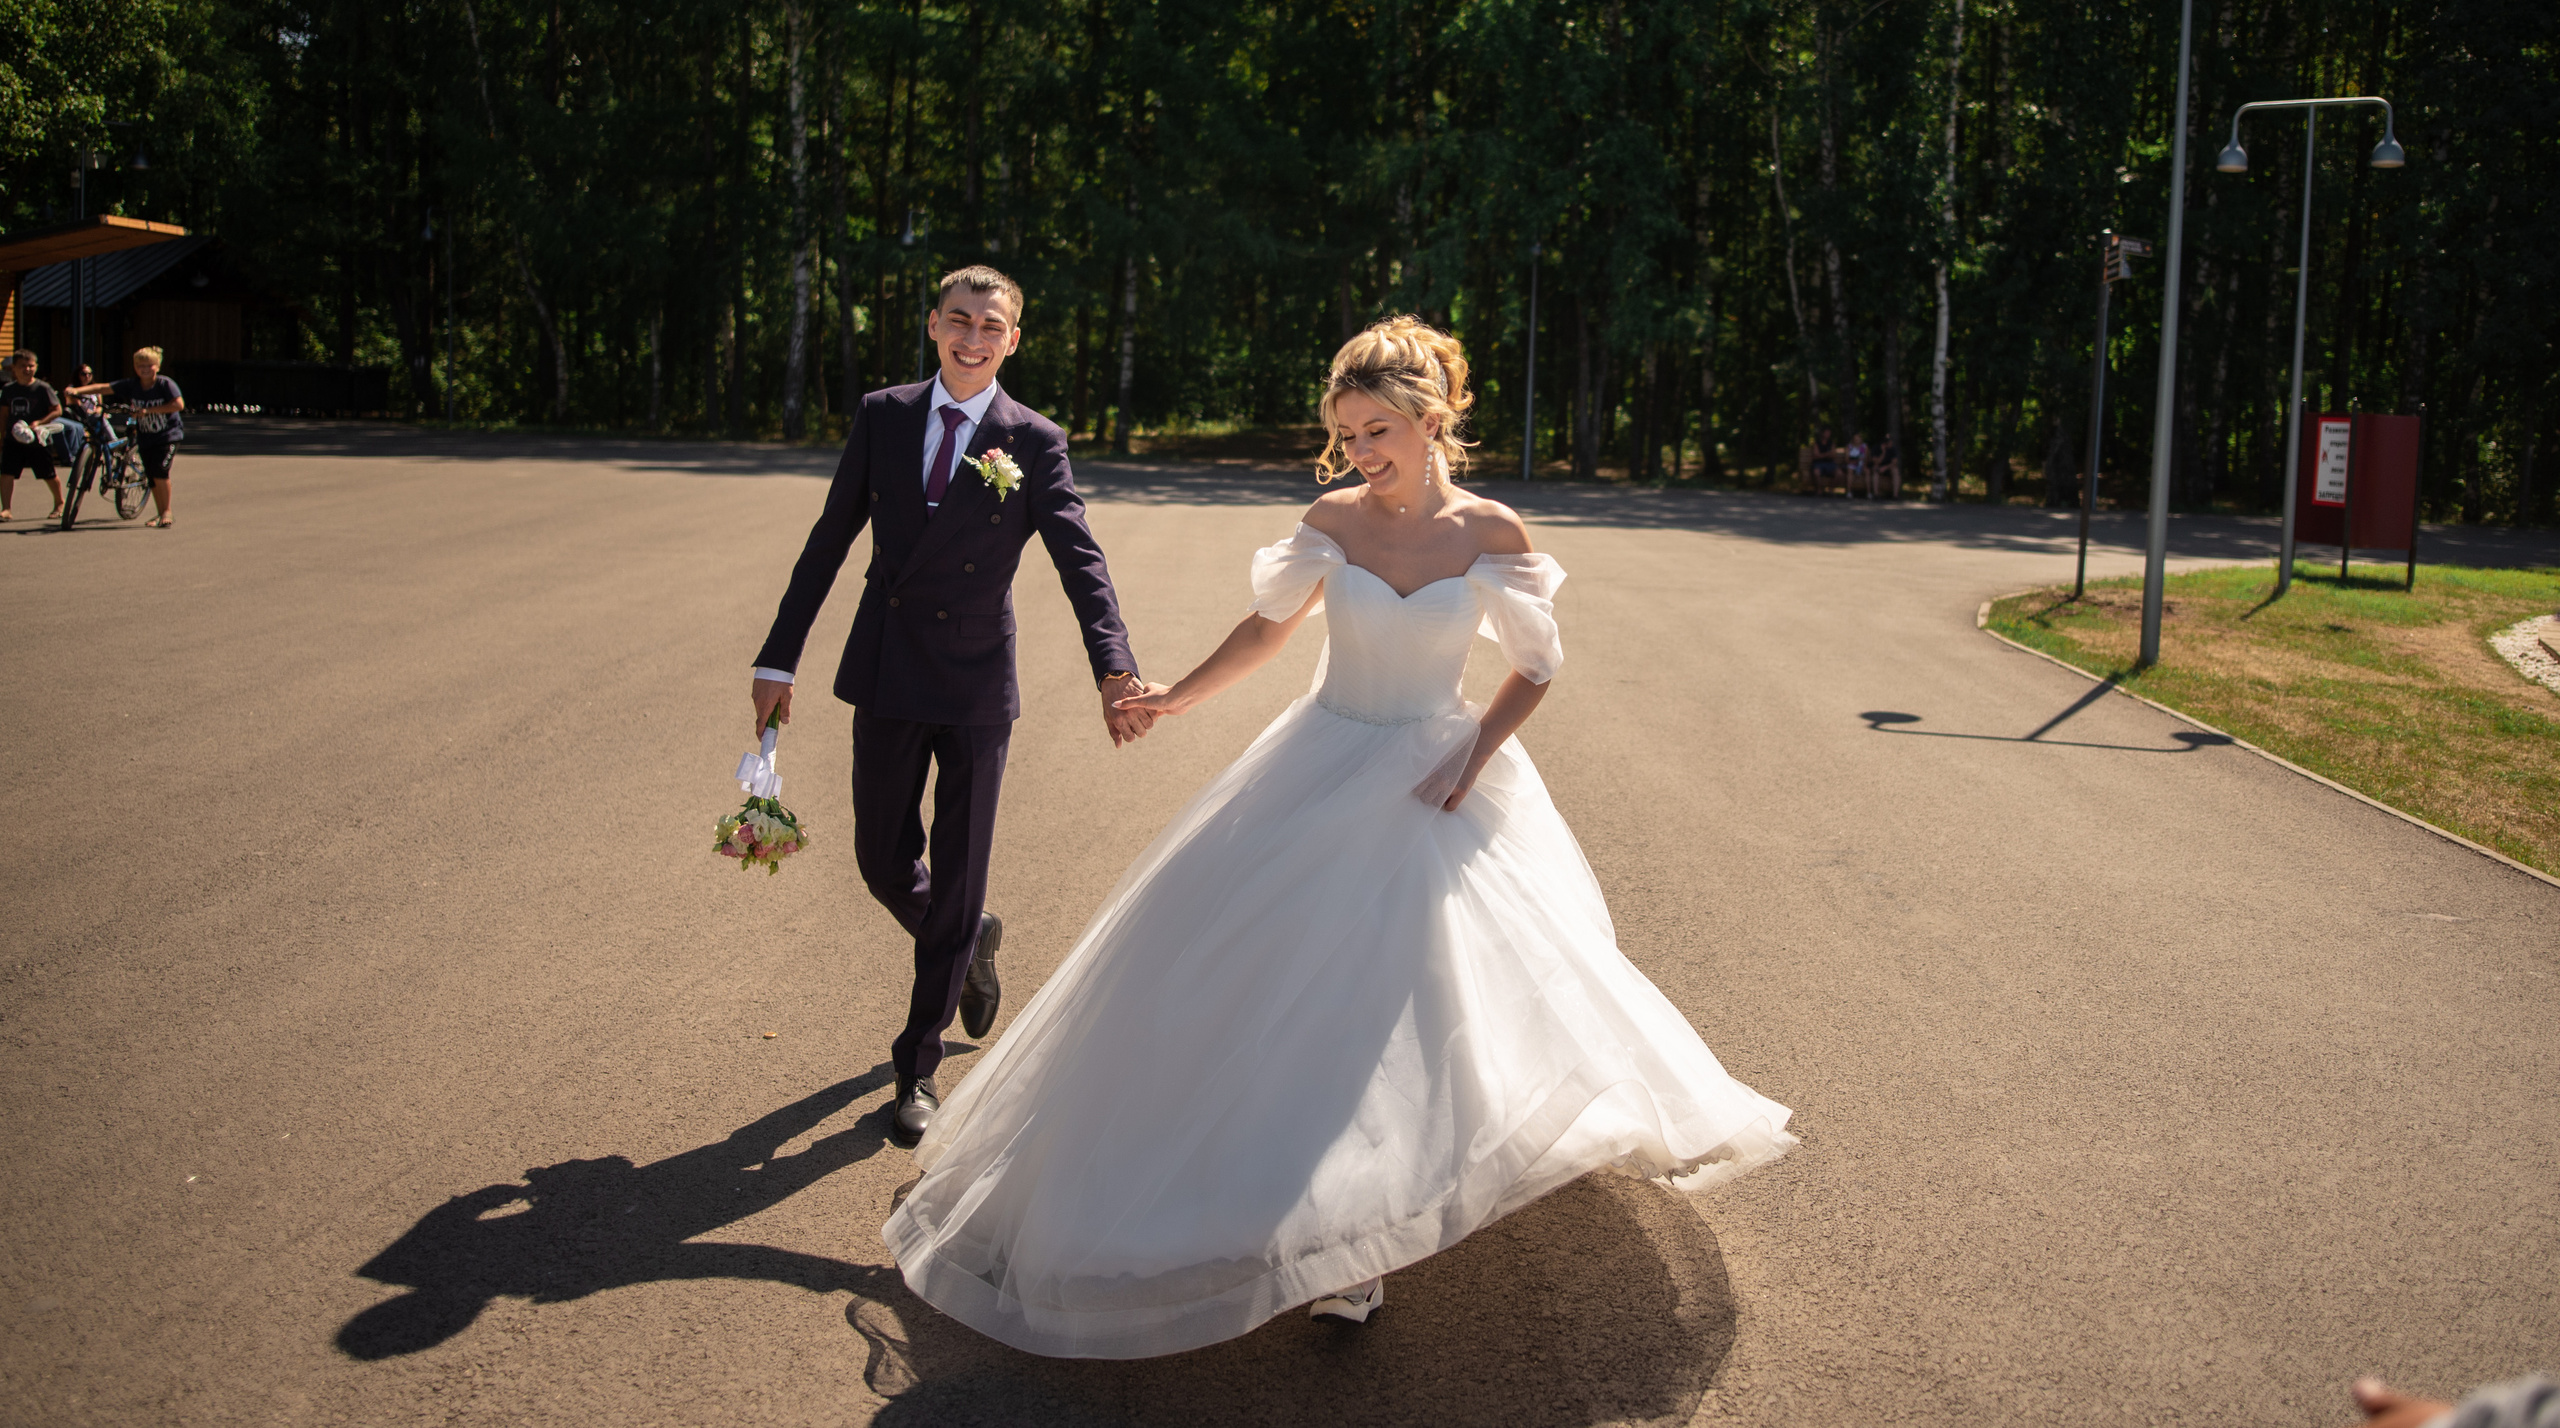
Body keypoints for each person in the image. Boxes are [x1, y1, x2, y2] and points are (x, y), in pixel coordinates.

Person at [881, 316, 1796, 1359]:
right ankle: (1315, 1227)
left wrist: (1476, 753)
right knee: (1262, 993)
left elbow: (1534, 666)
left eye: (1374, 432)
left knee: (1405, 1010)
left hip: (1434, 776)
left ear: (1430, 420)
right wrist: (1177, 694)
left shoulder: (1491, 533)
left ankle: (1357, 1248)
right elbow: (1273, 630)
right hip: (1321, 758)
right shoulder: (1332, 519)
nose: (1359, 452)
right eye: (1347, 435)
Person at [749, 265, 1152, 1152]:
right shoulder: (884, 415)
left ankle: (916, 1064)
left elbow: (1080, 560)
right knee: (881, 858)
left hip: (974, 683)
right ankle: (970, 937)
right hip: (888, 667)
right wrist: (779, 657)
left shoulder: (1033, 440)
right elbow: (828, 540)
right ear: (934, 326)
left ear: (1013, 340)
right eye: (959, 321)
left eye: (992, 325)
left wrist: (1112, 668)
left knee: (960, 868)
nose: (974, 338)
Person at [67, 346, 184, 527]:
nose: (144, 369)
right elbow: (105, 388)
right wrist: (78, 391)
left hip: (167, 435)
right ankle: (159, 513)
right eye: (140, 366)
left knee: (161, 471)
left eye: (149, 365)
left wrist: (148, 411)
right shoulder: (132, 384)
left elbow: (178, 405)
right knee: (152, 475)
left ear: (157, 366)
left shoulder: (164, 384)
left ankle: (167, 511)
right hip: (145, 435)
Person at [1, 350, 65, 521]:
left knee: (48, 474)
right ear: (14, 368)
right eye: (23, 366)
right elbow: (4, 414)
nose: (27, 369)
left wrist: (40, 422)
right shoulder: (8, 390)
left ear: (36, 367)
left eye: (31, 366)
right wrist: (2, 436)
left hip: (38, 439)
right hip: (13, 439)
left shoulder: (43, 388)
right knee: (6, 473)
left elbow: (57, 410)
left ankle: (59, 503)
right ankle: (6, 508)